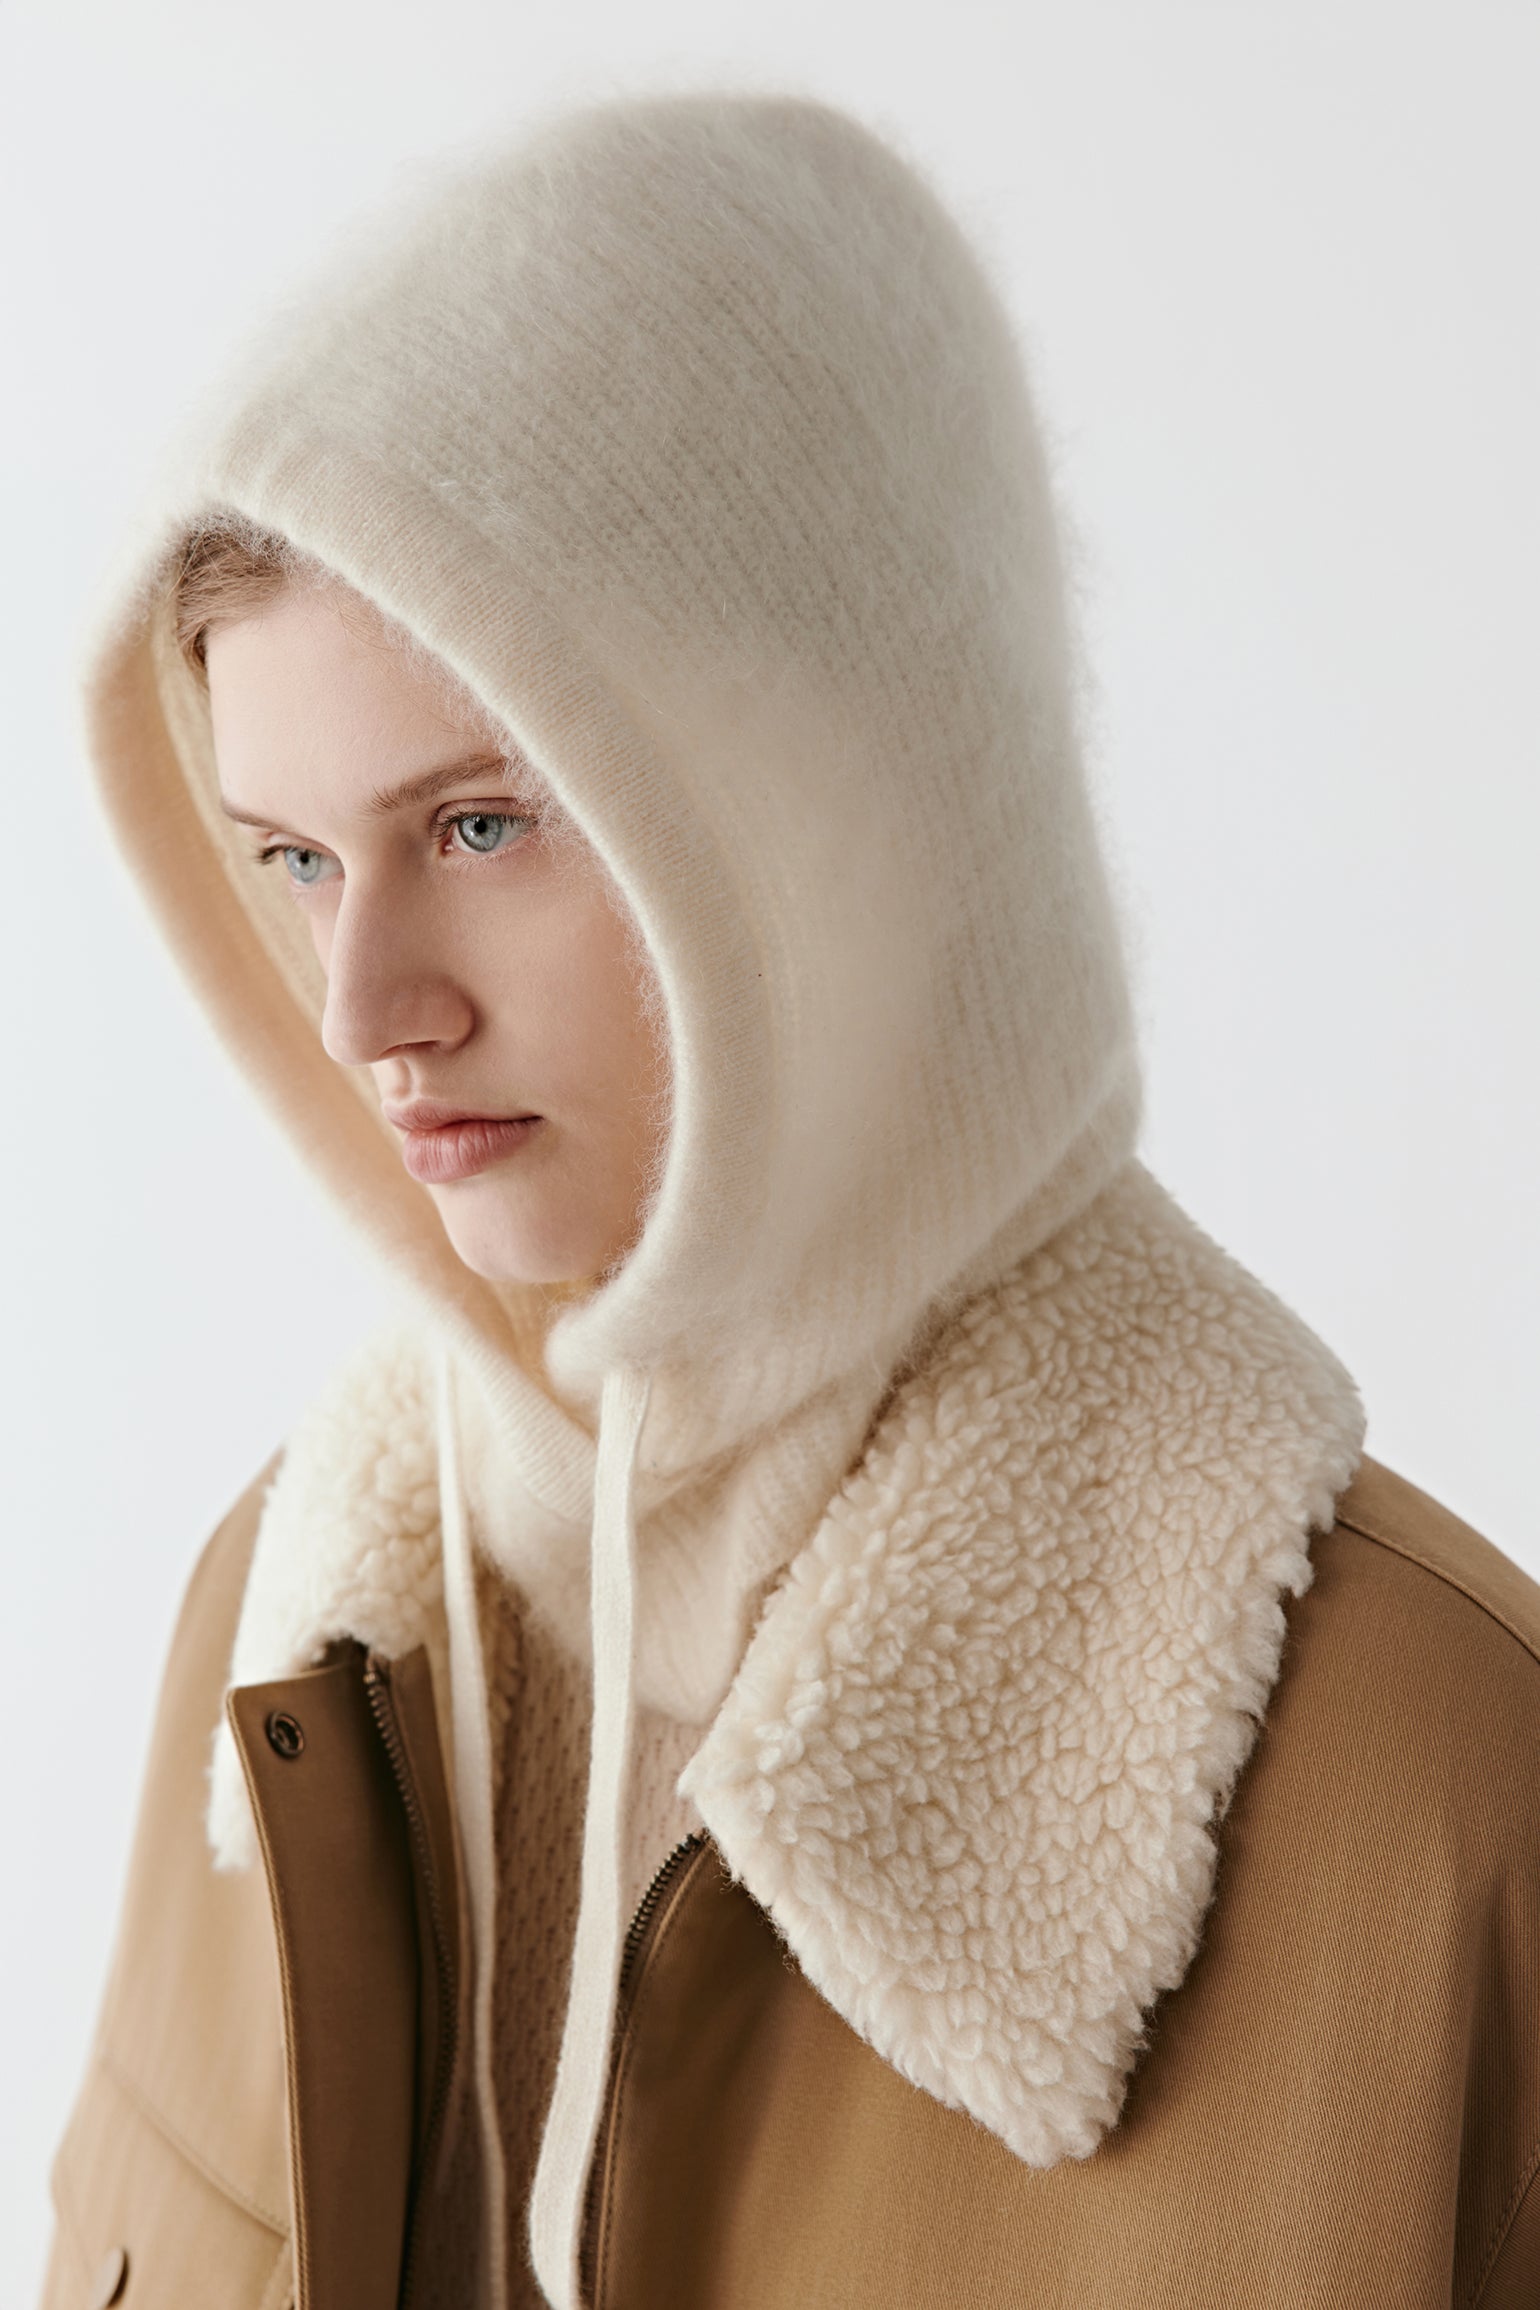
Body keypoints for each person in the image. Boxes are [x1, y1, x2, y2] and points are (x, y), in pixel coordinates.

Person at [39, 87, 1540, 2310]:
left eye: (479, 826)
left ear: (844, 812)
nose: (364, 1008)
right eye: (293, 858)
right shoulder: (282, 1648)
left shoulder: (1437, 1809)